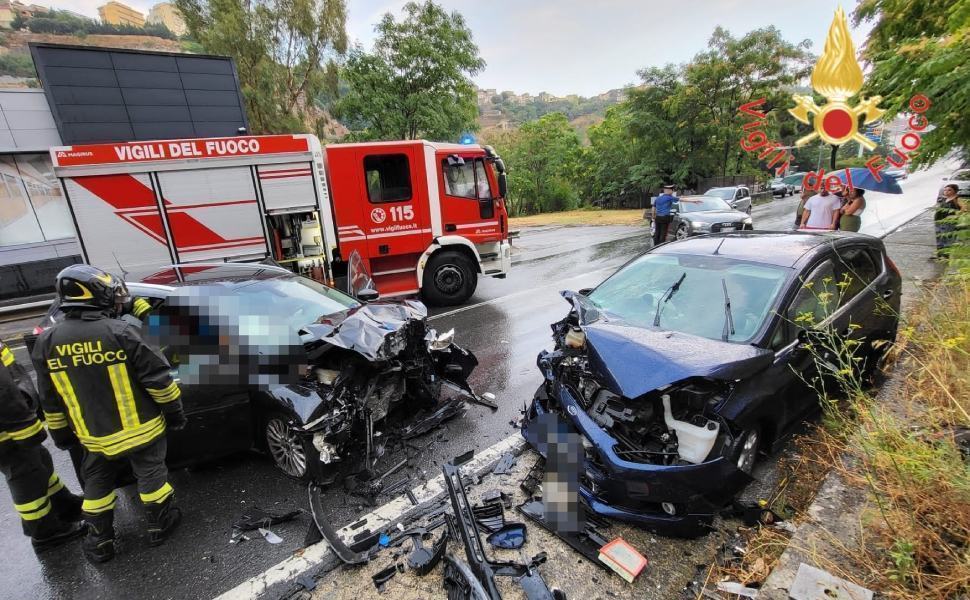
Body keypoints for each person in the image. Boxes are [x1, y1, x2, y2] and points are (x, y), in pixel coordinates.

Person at [30, 265, 187, 564]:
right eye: (111, 294)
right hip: (141, 429)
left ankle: (100, 539)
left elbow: (49, 399)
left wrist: (62, 436)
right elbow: (160, 382)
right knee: (151, 474)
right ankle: (159, 524)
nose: (116, 300)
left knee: (97, 483)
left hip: (93, 436)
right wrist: (175, 414)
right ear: (95, 296)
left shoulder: (47, 343)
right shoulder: (121, 332)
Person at [1, 340, 85, 552]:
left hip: (11, 420)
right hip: (9, 426)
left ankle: (63, 504)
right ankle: (45, 531)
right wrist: (25, 428)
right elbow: (3, 392)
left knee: (39, 462)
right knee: (24, 475)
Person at [935, 183, 967, 257]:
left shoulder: (957, 199)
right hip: (939, 222)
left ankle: (946, 256)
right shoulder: (944, 199)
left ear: (955, 191)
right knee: (939, 239)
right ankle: (940, 255)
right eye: (945, 190)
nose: (946, 191)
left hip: (949, 223)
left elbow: (965, 208)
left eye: (949, 190)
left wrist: (955, 216)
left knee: (948, 239)